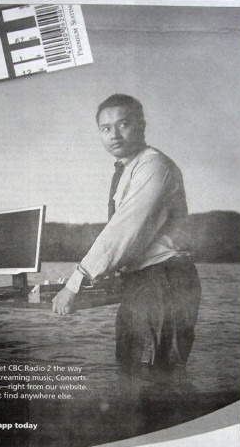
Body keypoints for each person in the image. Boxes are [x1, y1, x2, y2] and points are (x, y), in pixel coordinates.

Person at [52, 94, 201, 368]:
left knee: (163, 380)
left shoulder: (154, 166)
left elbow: (125, 230)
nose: (114, 135)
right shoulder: (128, 169)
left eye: (123, 124)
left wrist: (76, 282)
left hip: (167, 281)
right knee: (127, 372)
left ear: (141, 126)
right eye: (105, 128)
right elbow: (126, 239)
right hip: (142, 281)